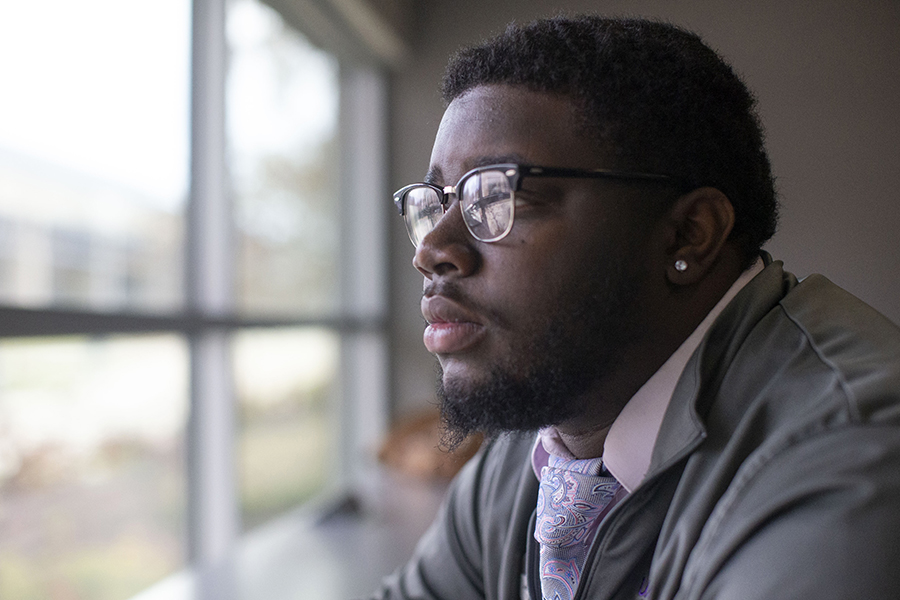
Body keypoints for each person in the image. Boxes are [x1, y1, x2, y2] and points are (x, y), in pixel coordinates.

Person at [373, 15, 900, 600]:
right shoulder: (538, 437)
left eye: (495, 194)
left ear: (688, 235)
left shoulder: (851, 453)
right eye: (435, 203)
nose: (432, 250)